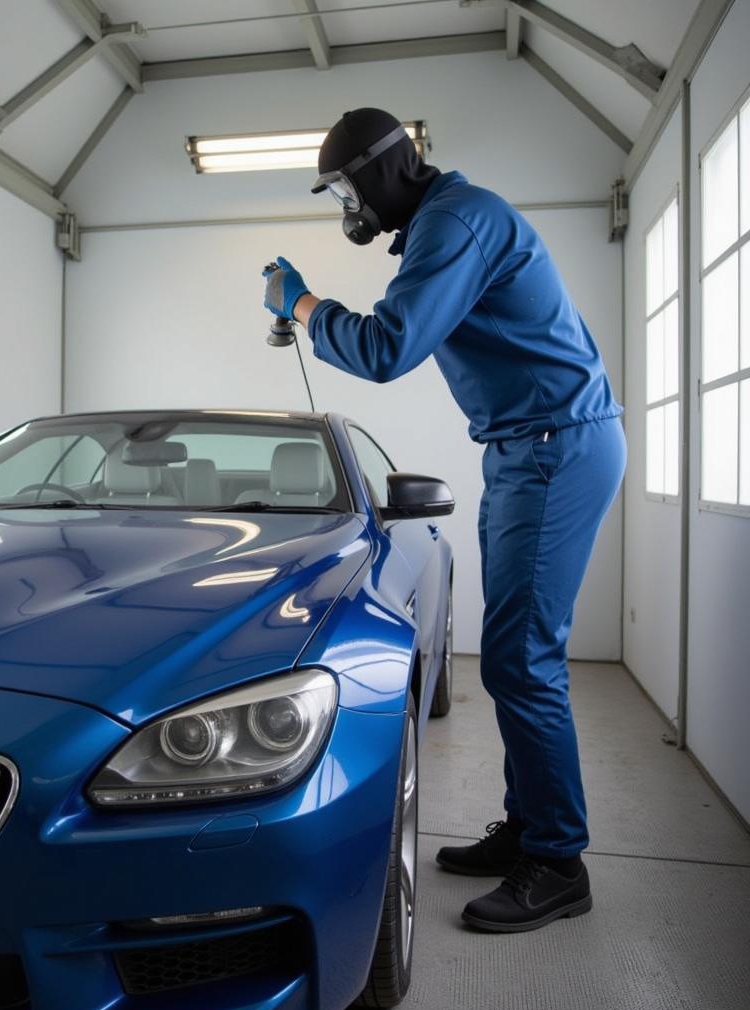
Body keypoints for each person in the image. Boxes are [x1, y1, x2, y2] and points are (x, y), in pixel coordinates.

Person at [262, 107, 626, 934]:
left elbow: (388, 348)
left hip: (553, 447)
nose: (344, 208)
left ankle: (559, 862)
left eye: (345, 190)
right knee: (513, 656)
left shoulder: (455, 221)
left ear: (385, 171)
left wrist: (306, 302)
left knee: (523, 660)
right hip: (529, 446)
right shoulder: (450, 223)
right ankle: (530, 828)